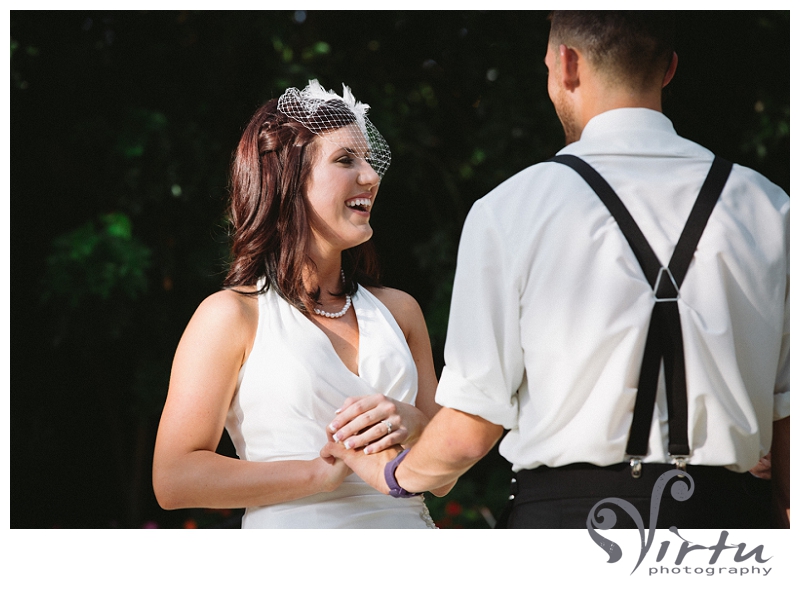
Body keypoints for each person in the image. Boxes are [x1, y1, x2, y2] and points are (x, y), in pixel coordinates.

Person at [324, 11, 790, 529]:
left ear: (566, 63)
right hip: (730, 530)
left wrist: (394, 476)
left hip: (569, 523)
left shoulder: (512, 209)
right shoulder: (771, 209)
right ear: (669, 69)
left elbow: (471, 431)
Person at [152, 80, 440, 528]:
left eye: (368, 160)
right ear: (287, 179)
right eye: (346, 160)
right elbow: (174, 478)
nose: (371, 176)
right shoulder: (231, 316)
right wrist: (315, 475)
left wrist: (418, 425)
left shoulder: (400, 312)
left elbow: (445, 481)